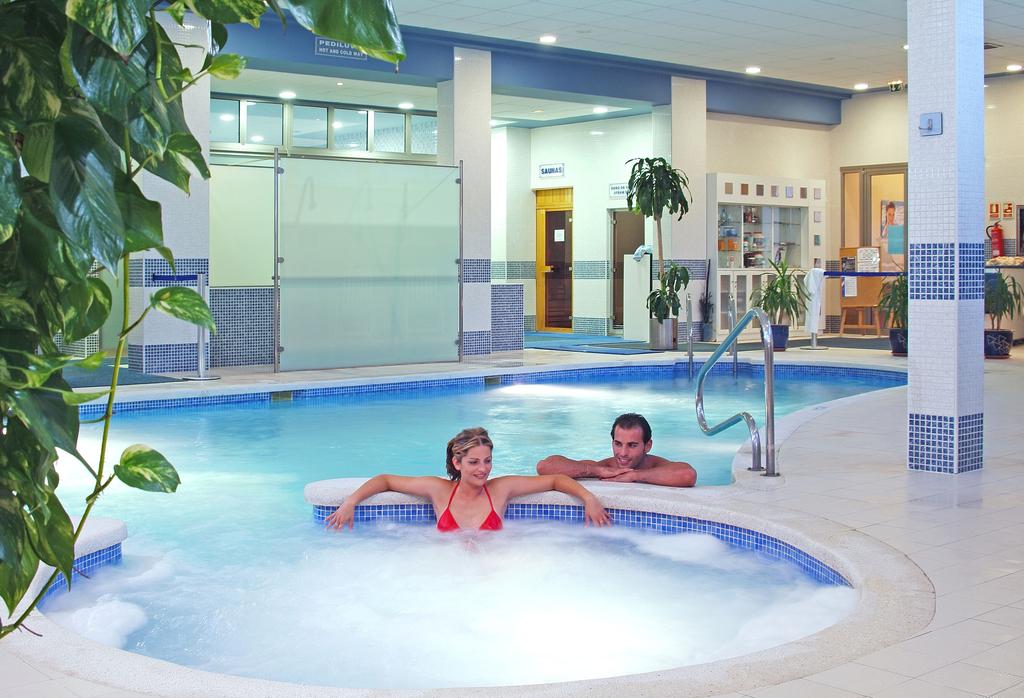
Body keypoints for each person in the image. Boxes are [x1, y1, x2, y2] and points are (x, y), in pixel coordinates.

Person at [325, 427, 611, 531]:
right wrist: (351, 502)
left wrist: (588, 498)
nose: (483, 469)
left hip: (491, 573)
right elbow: (385, 480)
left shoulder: (500, 489)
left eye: (487, 461)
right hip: (450, 575)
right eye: (474, 462)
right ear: (457, 463)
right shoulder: (439, 490)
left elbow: (555, 480)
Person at [536, 413, 696, 487]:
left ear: (647, 446)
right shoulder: (606, 467)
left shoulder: (658, 466)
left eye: (632, 445)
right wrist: (596, 471)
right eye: (618, 444)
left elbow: (687, 474)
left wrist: (635, 475)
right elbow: (544, 466)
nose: (623, 453)